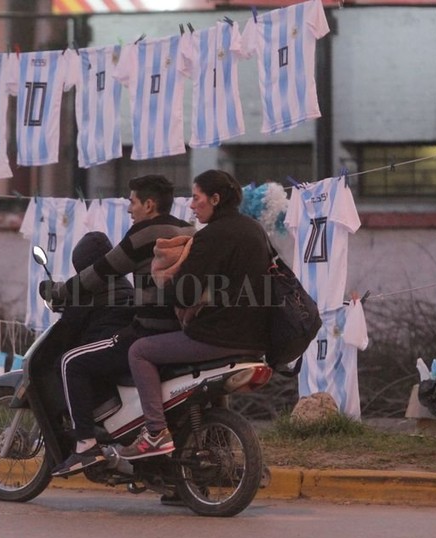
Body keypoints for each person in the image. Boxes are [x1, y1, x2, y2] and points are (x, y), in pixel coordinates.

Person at [40, 175, 195, 477]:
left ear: (149, 204)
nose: (128, 209)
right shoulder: (188, 230)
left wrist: (59, 292)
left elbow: (101, 271)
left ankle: (85, 446)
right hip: (182, 332)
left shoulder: (143, 234)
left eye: (132, 202)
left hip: (149, 331)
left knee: (71, 362)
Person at [116, 169, 270, 460]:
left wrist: (160, 285)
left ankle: (155, 433)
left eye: (197, 198)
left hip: (218, 336)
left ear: (215, 199)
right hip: (255, 338)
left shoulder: (211, 236)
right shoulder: (255, 230)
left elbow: (185, 292)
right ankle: (221, 451)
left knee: (139, 351)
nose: (191, 205)